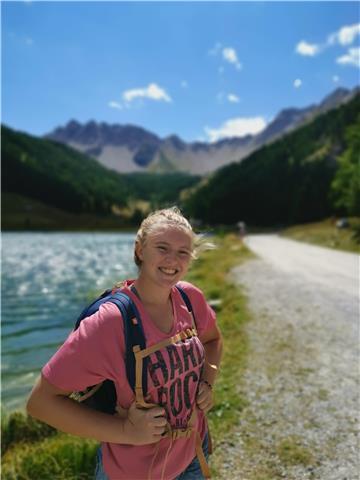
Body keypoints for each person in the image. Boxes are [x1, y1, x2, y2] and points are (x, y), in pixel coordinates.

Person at [27, 207, 223, 480]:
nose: (172, 260)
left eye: (183, 252)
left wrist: (207, 380)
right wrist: (126, 432)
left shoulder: (190, 298)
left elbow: (213, 340)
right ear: (140, 250)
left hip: (192, 453)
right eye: (162, 248)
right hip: (133, 472)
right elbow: (40, 402)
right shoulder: (110, 323)